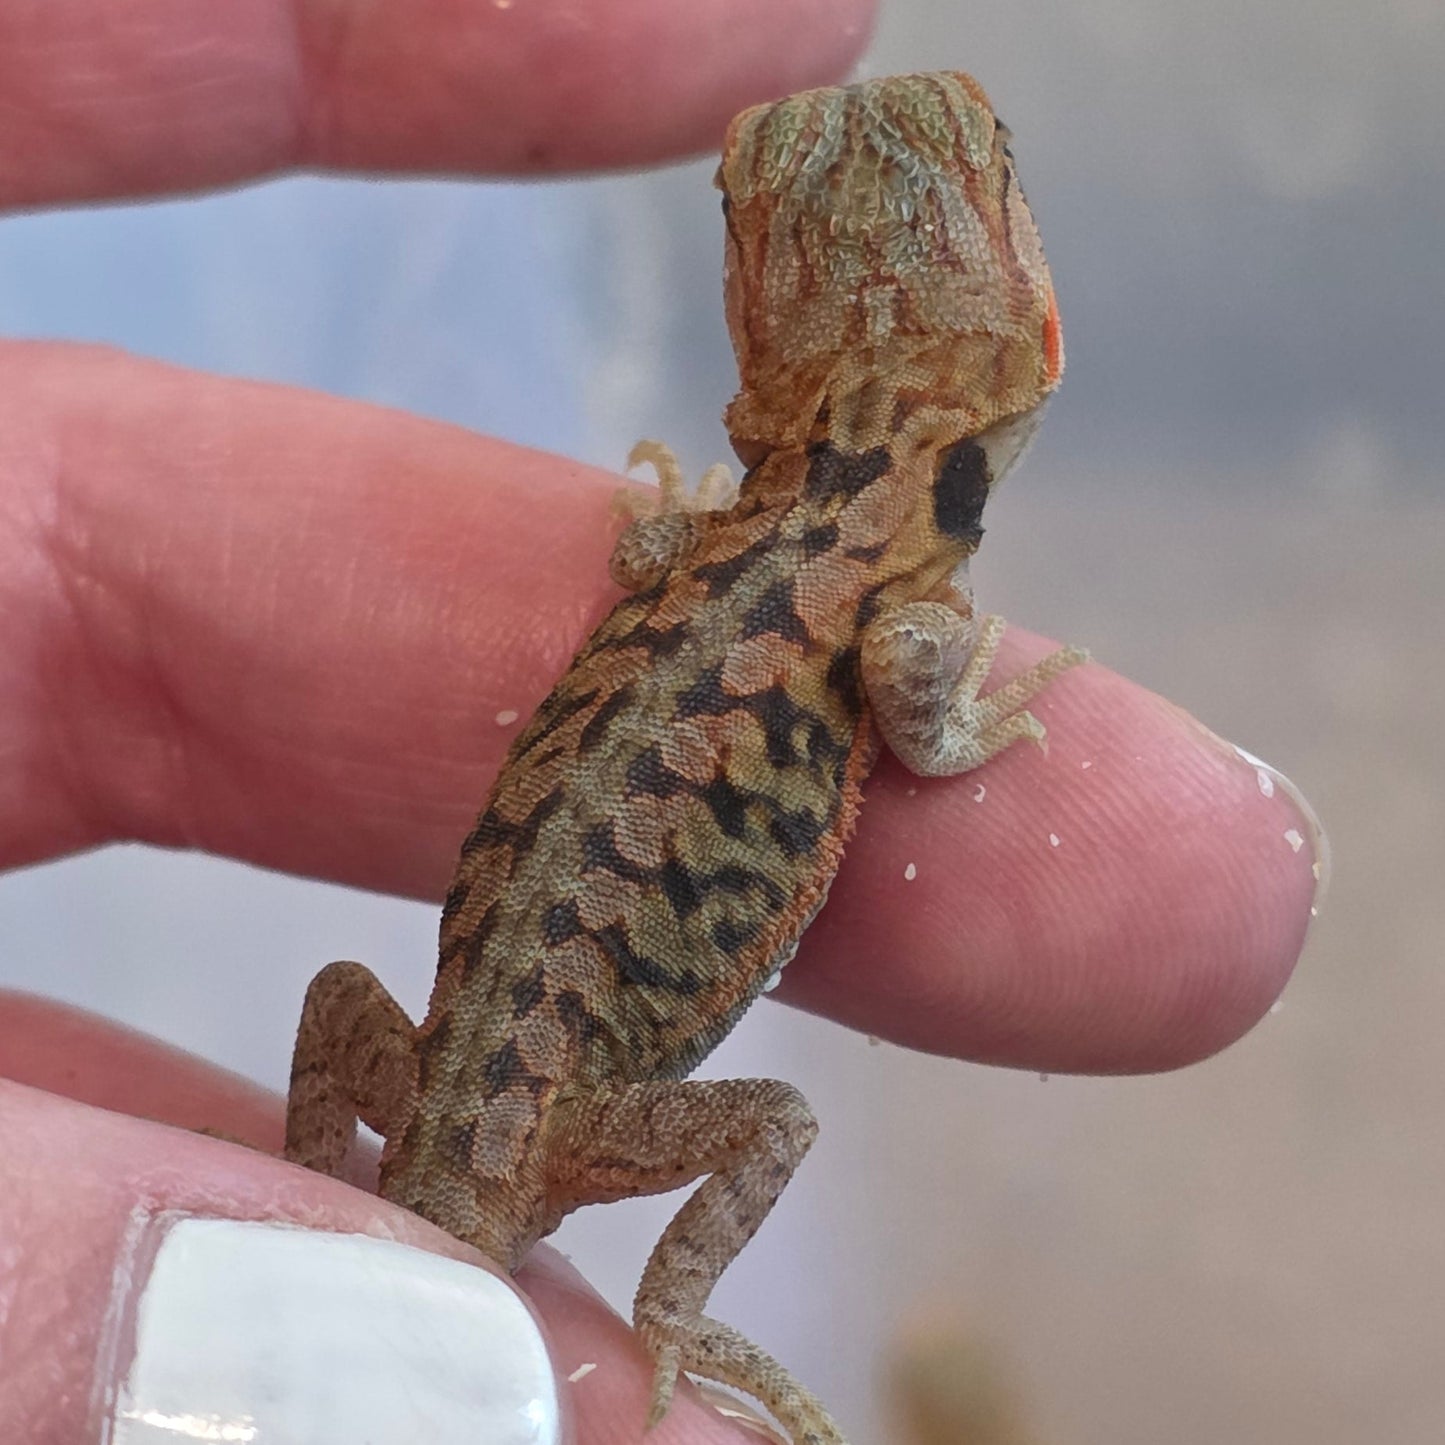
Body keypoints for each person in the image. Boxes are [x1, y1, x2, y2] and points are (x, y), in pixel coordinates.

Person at [0, 2, 1323, 1440]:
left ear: (763, 326)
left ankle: (321, 1200)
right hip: (549, 1123)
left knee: (354, 1007)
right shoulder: (899, 596)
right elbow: (911, 689)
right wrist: (952, 729)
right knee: (776, 1121)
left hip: (464, 1086)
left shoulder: (716, 544)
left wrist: (326, 1197)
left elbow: (653, 565)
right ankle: (668, 1321)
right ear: (1017, 322)